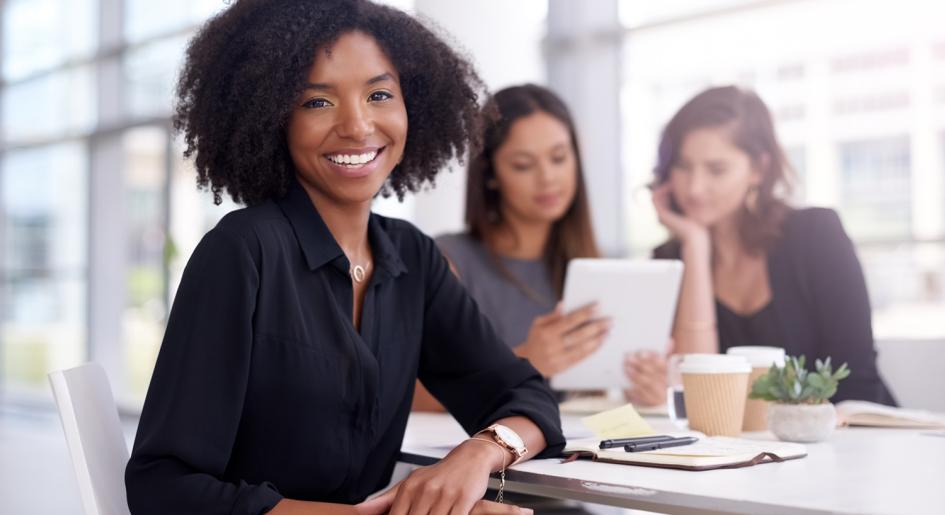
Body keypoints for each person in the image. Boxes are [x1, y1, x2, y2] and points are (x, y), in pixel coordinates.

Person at [124, 2, 565, 514]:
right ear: (271, 118)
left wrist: (481, 451)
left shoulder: (411, 257)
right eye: (317, 103)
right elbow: (162, 487)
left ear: (412, 105)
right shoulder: (243, 252)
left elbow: (527, 396)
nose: (357, 126)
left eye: (380, 94)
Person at [626, 85, 896, 407]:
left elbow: (857, 379)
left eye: (717, 169)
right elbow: (695, 397)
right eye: (683, 167)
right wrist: (696, 246)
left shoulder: (814, 235)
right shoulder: (669, 260)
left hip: (852, 434)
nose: (695, 188)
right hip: (746, 451)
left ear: (758, 169)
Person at [411, 84, 614, 413]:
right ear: (491, 174)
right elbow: (408, 395)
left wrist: (642, 385)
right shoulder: (448, 261)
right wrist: (522, 361)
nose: (548, 177)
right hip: (487, 454)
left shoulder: (589, 266)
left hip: (571, 455)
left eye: (559, 157)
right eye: (523, 164)